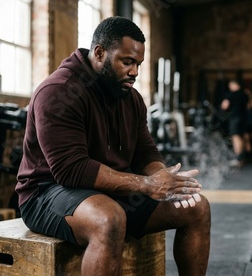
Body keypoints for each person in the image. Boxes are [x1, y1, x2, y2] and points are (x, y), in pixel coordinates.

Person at [15, 16, 211, 276]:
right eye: (127, 62)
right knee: (109, 219)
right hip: (46, 193)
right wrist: (147, 185)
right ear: (99, 53)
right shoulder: (58, 92)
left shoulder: (129, 97)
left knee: (197, 207)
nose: (135, 72)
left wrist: (161, 177)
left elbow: (145, 151)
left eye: (138, 64)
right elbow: (71, 170)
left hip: (110, 191)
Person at [221, 80, 248, 166]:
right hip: (243, 117)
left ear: (234, 85)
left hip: (234, 118)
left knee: (235, 137)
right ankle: (242, 158)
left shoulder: (230, 94)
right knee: (241, 137)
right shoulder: (245, 94)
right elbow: (249, 106)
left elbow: (224, 106)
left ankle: (238, 158)